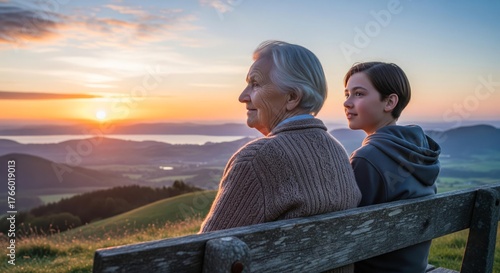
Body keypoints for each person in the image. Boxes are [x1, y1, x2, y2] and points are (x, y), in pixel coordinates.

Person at [200, 40, 361, 271]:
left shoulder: (257, 159)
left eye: (255, 84)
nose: (243, 96)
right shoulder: (337, 151)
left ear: (292, 97)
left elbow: (204, 252)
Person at [343, 62, 441, 273]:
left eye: (358, 94)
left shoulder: (367, 158)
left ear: (389, 102)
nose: (347, 102)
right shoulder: (420, 150)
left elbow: (345, 233)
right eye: (347, 94)